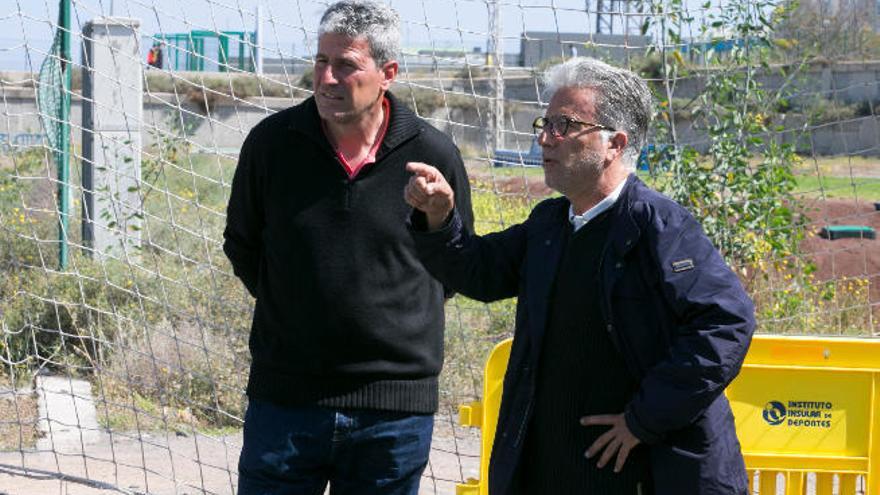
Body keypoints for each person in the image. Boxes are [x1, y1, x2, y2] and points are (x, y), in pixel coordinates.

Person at [404, 57, 755, 495]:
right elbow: (480, 272)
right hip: (551, 468)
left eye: (564, 125)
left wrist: (644, 419)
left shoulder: (659, 227)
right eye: (545, 123)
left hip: (643, 471)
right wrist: (439, 218)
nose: (544, 138)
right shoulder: (551, 223)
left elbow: (726, 323)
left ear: (614, 143)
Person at [223, 1, 473, 493]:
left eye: (346, 65)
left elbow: (454, 262)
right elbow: (243, 245)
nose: (328, 78)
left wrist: (388, 325)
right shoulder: (272, 145)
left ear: (388, 73)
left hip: (393, 414)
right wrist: (299, 306)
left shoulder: (433, 153)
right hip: (286, 403)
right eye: (321, 61)